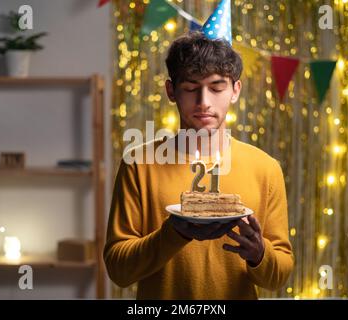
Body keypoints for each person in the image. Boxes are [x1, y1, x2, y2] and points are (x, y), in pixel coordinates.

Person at [104, 32, 293, 299]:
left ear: (235, 90)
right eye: (191, 88)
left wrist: (259, 254)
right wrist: (172, 234)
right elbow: (118, 270)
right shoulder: (138, 164)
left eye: (217, 88)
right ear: (171, 91)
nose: (204, 101)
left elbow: (280, 275)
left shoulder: (265, 168)